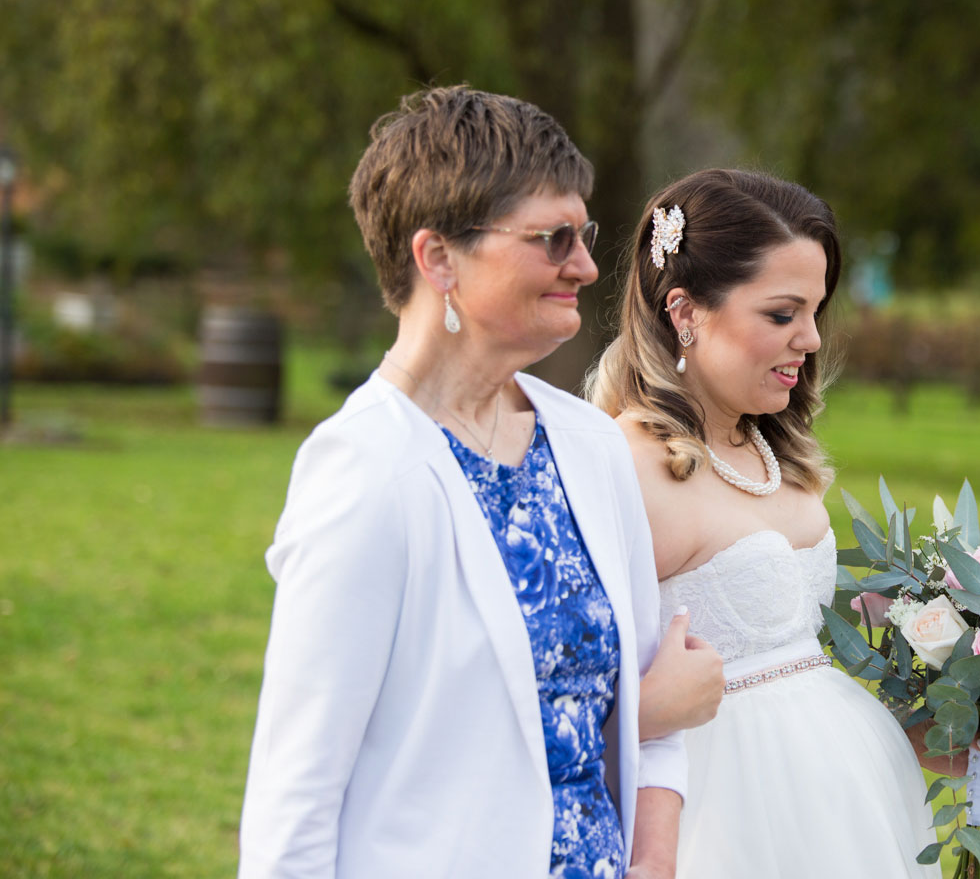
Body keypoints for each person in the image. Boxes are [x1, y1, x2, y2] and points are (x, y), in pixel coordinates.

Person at [238, 86, 712, 879]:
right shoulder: (365, 470)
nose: (587, 265)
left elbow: (654, 708)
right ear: (438, 259)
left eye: (584, 233)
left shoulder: (591, 447)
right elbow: (297, 796)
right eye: (552, 238)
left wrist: (652, 862)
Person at [588, 169, 941, 878]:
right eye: (781, 315)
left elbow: (790, 660)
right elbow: (564, 693)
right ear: (685, 311)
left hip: (844, 795)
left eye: (815, 312)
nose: (809, 340)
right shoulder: (624, 466)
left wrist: (934, 713)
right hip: (719, 814)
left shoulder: (772, 448)